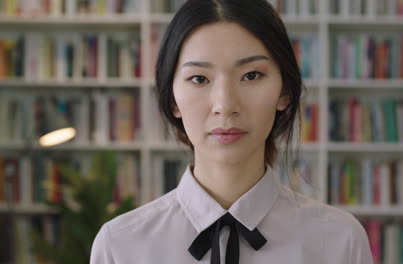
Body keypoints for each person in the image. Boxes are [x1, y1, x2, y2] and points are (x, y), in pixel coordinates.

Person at [90, 0, 374, 263]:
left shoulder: (340, 241)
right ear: (172, 99)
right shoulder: (120, 245)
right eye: (199, 78)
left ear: (284, 91)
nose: (225, 106)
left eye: (251, 75)